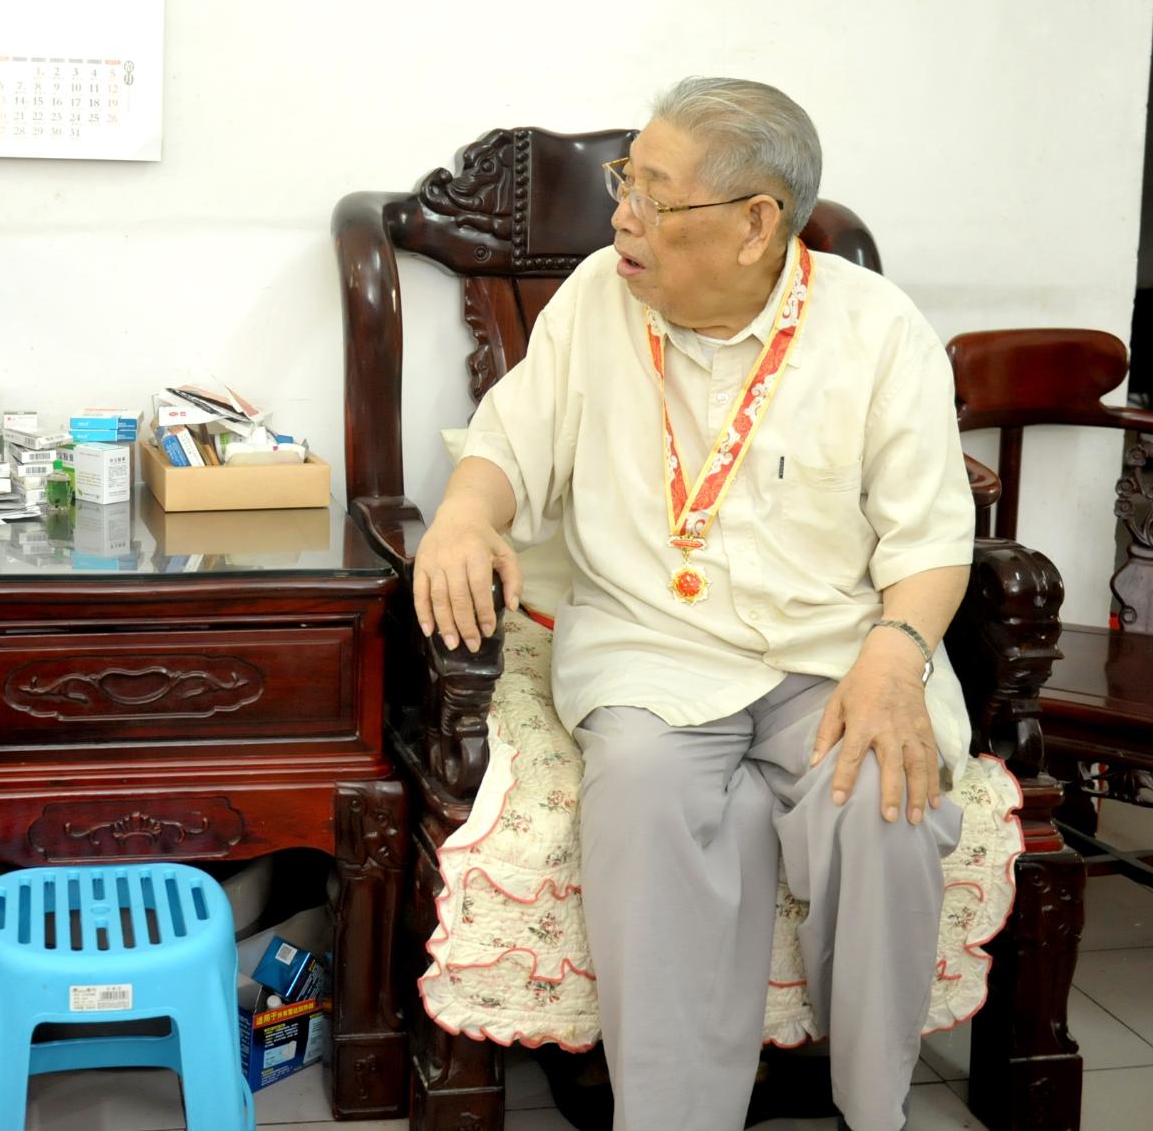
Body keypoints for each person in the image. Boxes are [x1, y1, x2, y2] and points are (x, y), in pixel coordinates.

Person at [414, 77, 971, 1131]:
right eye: (624, 182)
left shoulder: (877, 331)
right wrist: (462, 515)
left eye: (653, 196)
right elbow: (506, 443)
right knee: (641, 791)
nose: (620, 217)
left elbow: (931, 537)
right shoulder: (598, 297)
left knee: (884, 804)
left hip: (833, 652)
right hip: (651, 647)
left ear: (756, 223)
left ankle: (872, 1109)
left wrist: (896, 660)